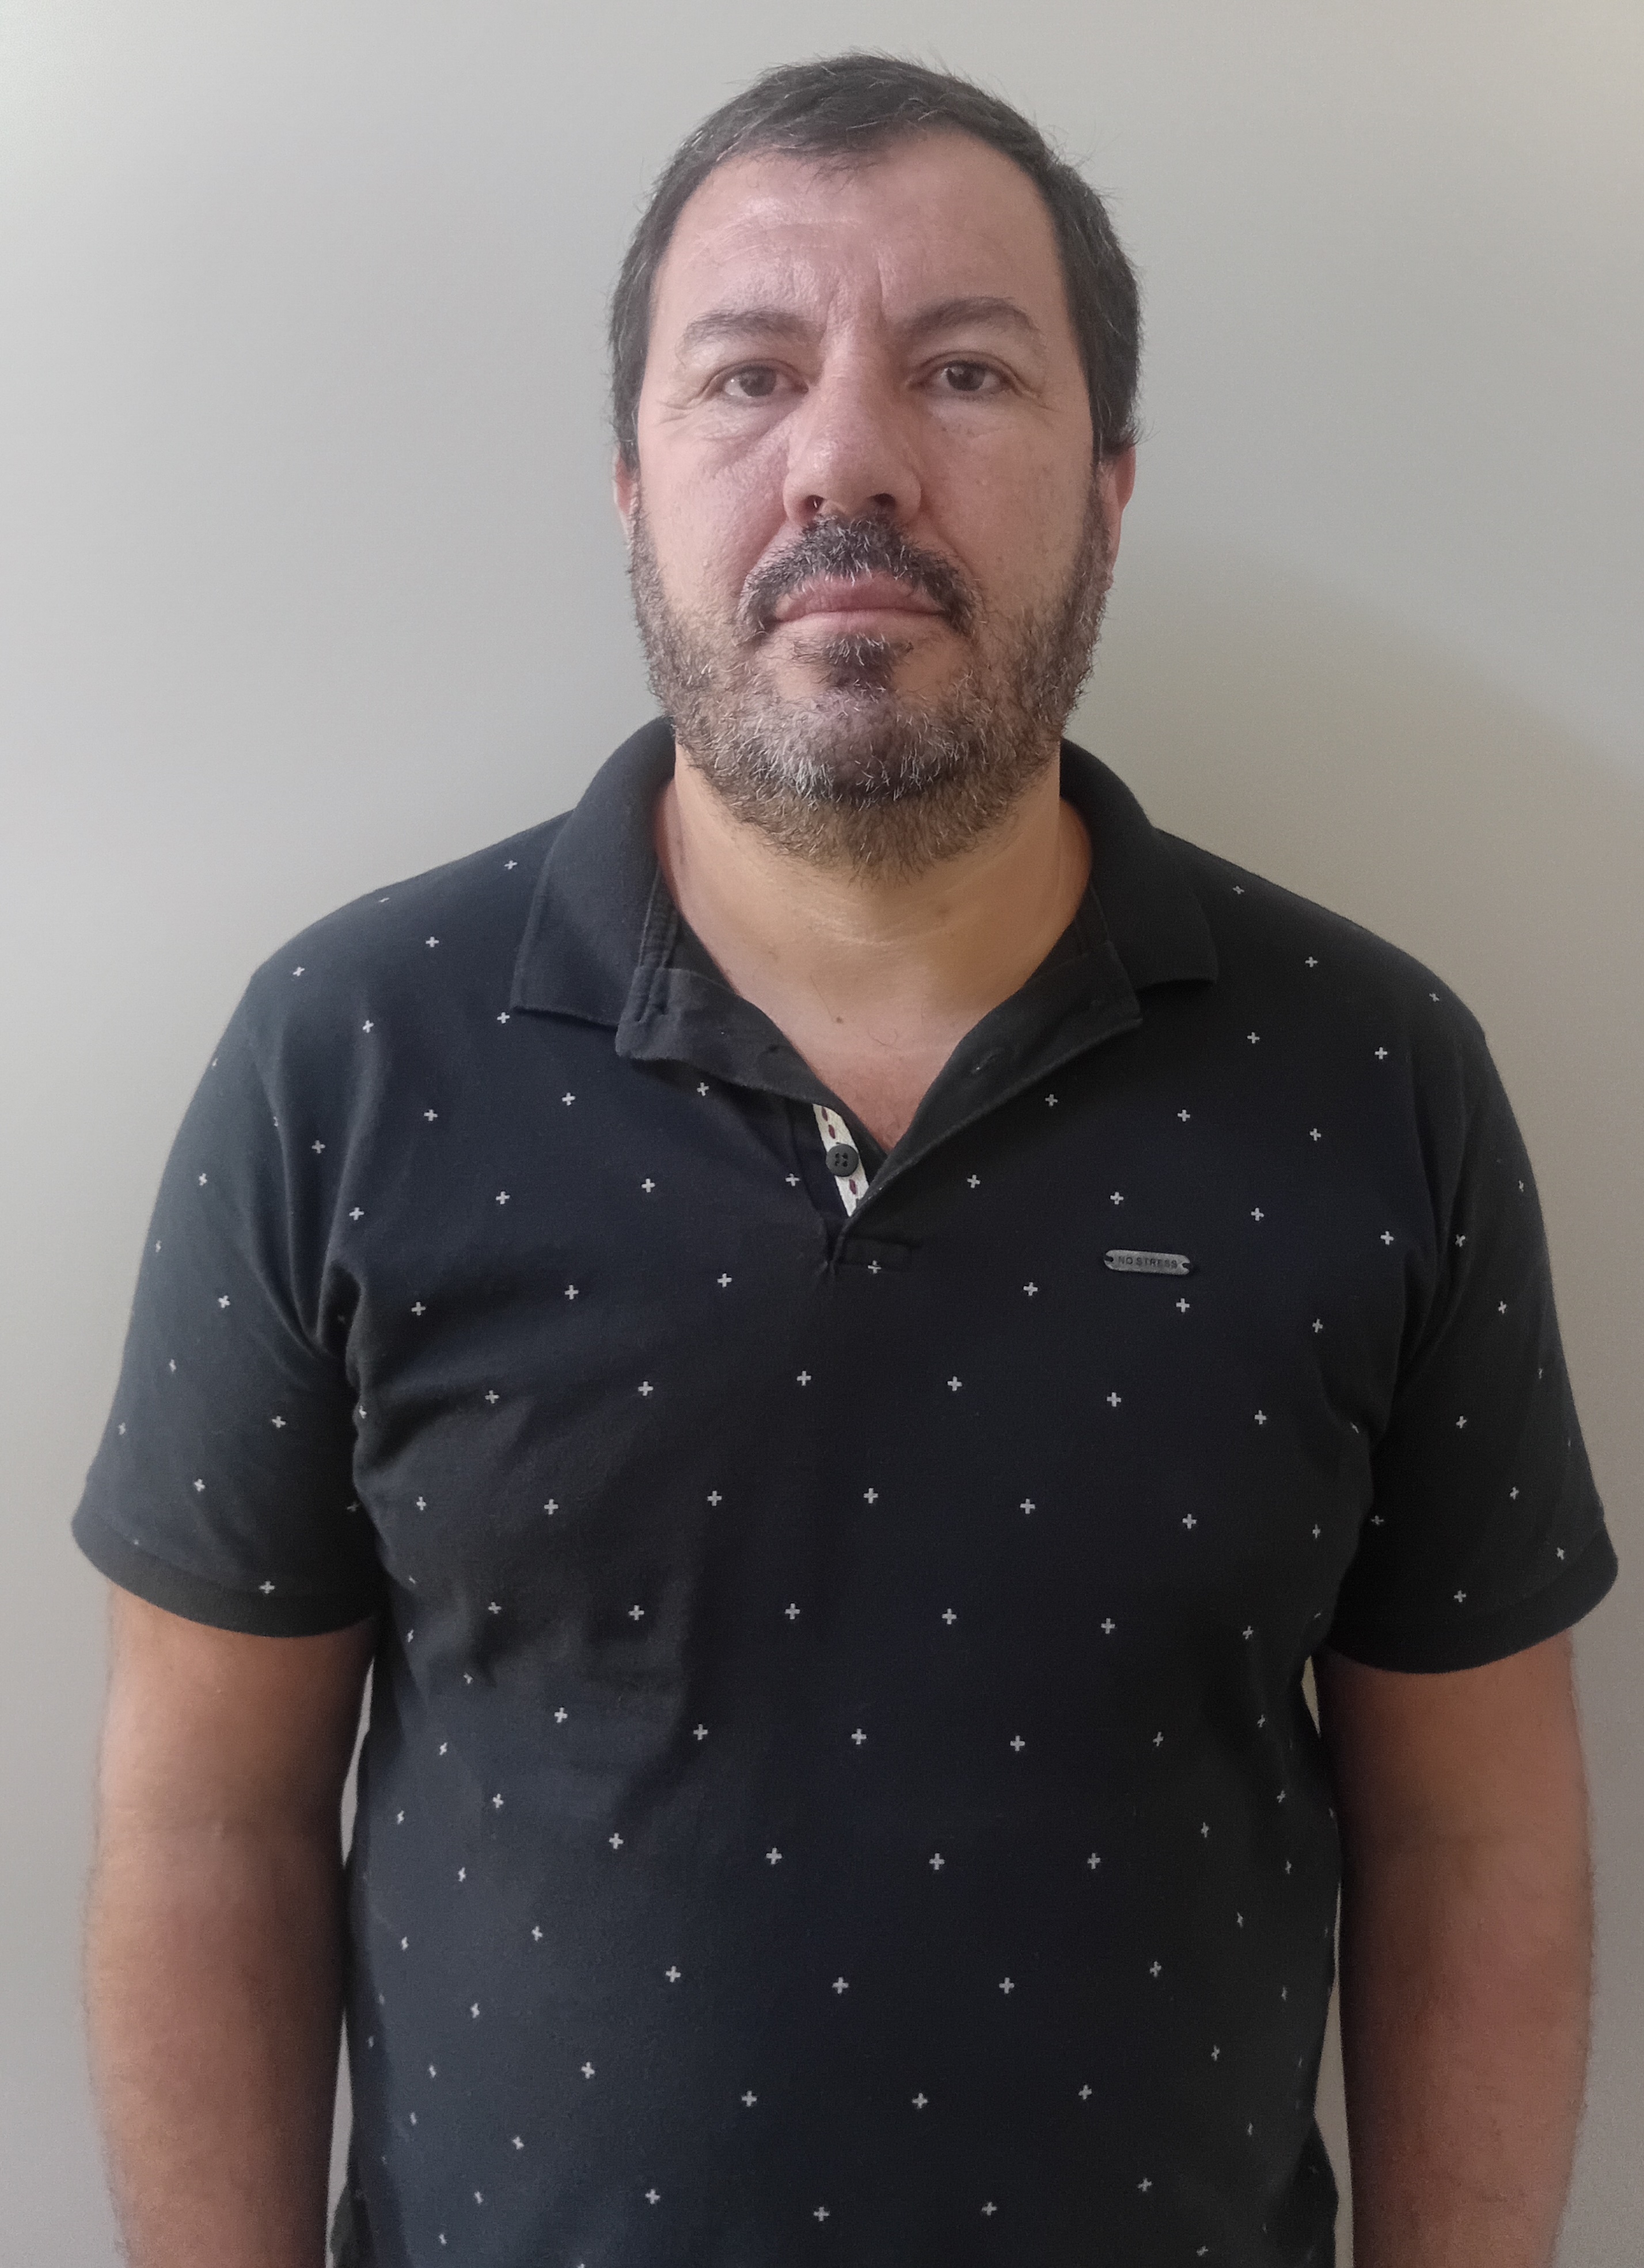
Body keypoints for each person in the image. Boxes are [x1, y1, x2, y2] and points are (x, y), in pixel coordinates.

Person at [76, 52, 1616, 2268]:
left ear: (1109, 488)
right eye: (749, 375)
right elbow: (205, 1822)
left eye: (965, 370)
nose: (849, 460)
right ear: (633, 483)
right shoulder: (345, 1056)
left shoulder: (1374, 1077)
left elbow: (1477, 1838)